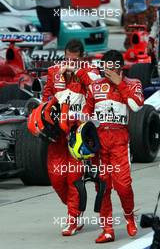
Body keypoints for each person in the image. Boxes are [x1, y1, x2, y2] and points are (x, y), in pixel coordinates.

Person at [82, 50, 144, 243]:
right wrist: (83, 127)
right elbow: (86, 111)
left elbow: (136, 106)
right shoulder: (94, 86)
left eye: (110, 66)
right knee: (102, 187)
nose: (106, 70)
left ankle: (129, 217)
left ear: (119, 66)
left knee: (123, 186)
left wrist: (120, 83)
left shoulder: (133, 83)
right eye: (105, 66)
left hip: (119, 142)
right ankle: (107, 229)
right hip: (99, 144)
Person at [42, 39, 100, 236]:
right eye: (67, 59)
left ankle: (73, 218)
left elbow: (95, 89)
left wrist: (77, 71)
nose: (69, 63)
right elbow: (47, 94)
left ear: (82, 58)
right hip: (57, 134)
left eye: (74, 60)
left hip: (78, 134)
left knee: (73, 178)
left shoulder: (90, 71)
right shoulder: (54, 71)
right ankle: (76, 208)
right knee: (56, 178)